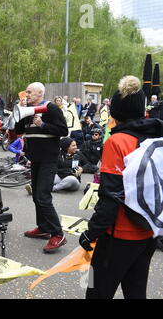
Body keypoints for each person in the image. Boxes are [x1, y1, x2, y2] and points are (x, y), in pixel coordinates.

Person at [79, 75, 163, 299]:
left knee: (95, 289)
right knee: (136, 292)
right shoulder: (156, 137)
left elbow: (111, 196)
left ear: (115, 112)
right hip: (148, 232)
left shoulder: (117, 142)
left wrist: (91, 233)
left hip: (118, 235)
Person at [14, 82, 69, 253]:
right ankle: (43, 228)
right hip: (35, 159)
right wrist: (21, 114)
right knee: (37, 196)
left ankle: (58, 234)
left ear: (40, 93)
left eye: (29, 92)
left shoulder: (50, 108)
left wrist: (43, 125)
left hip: (48, 159)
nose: (26, 94)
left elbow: (63, 130)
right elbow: (19, 130)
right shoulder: (28, 109)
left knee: (43, 196)